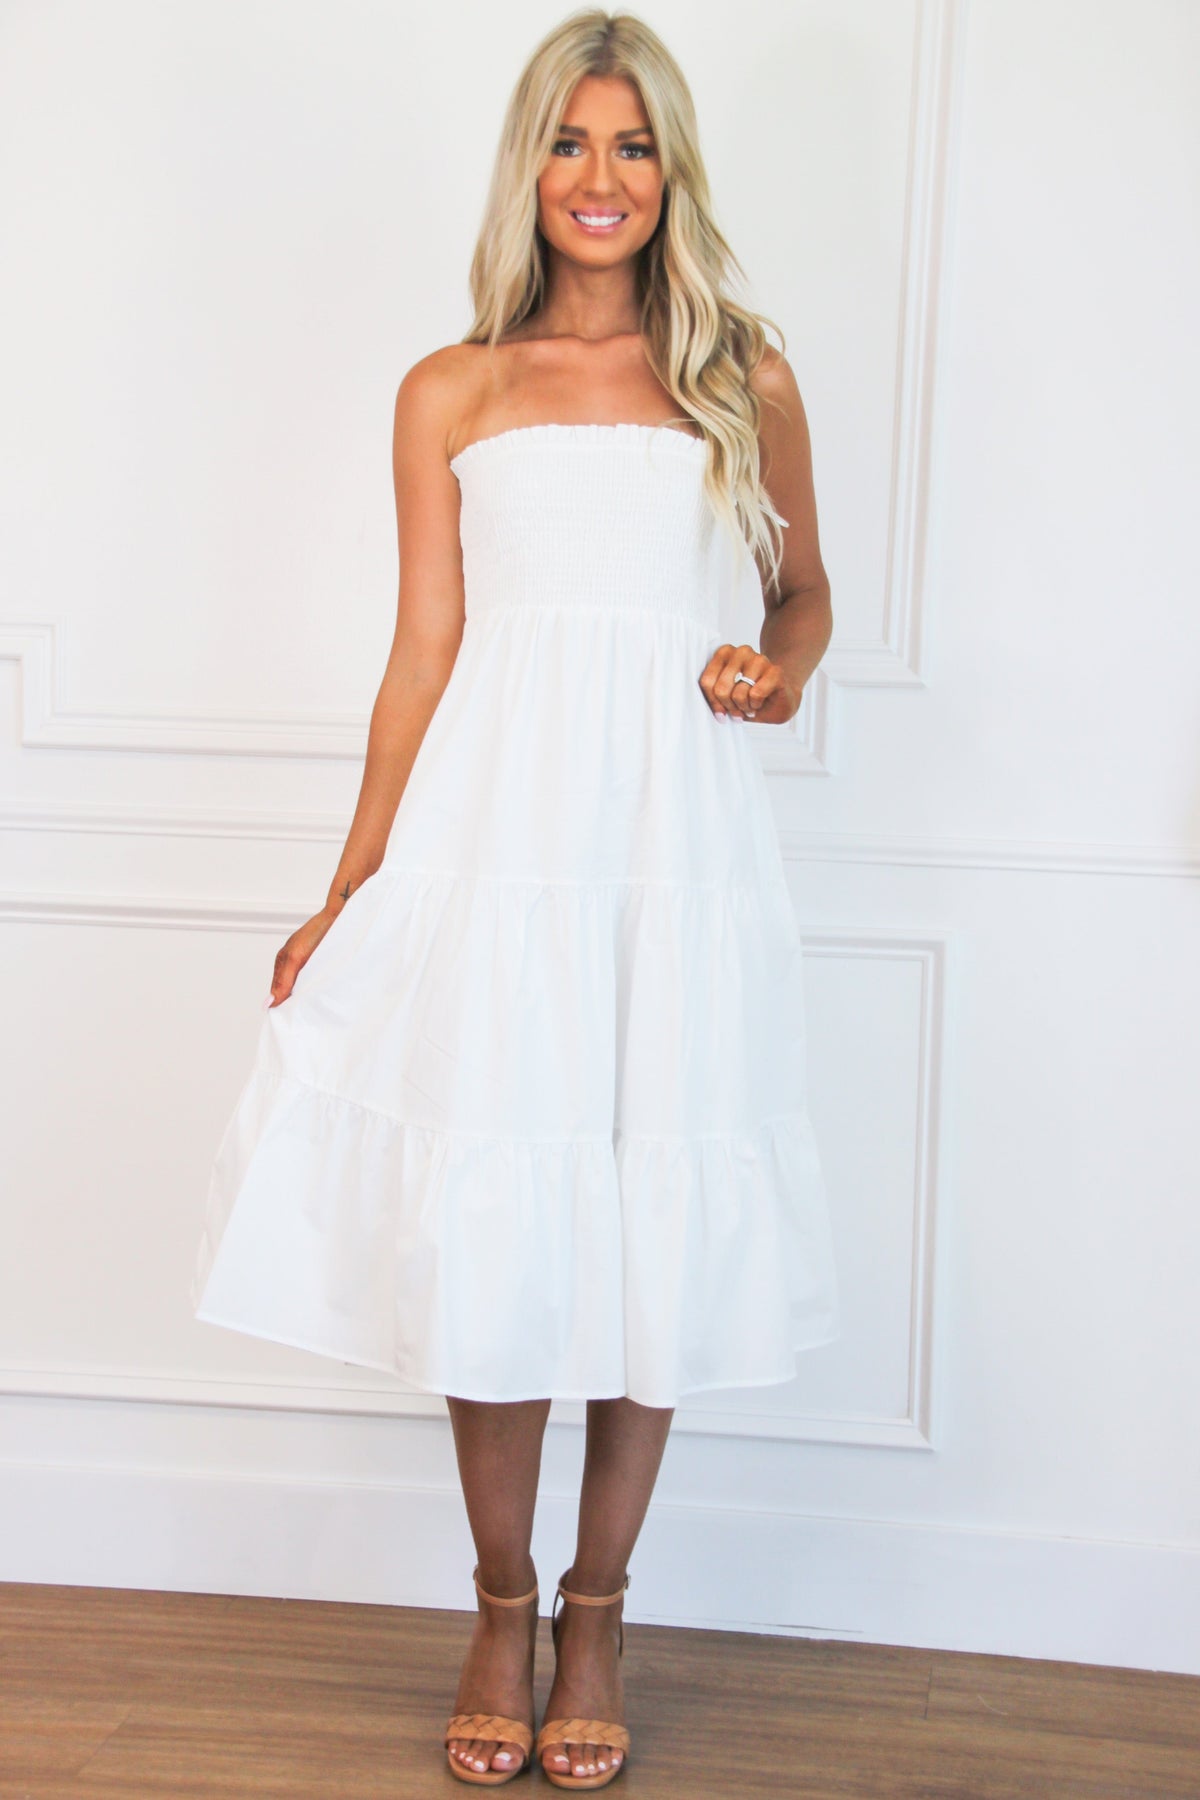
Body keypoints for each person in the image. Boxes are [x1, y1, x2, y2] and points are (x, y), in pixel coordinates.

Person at [191, 6, 840, 1789]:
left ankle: (599, 1610)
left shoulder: (747, 379)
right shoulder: (452, 390)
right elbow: (424, 653)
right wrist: (348, 888)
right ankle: (497, 1604)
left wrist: (778, 670)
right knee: (504, 1225)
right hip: (497, 852)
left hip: (672, 856)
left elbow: (806, 596)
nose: (598, 177)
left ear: (672, 172)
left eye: (632, 145)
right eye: (568, 142)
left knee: (649, 1224)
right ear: (528, 167)